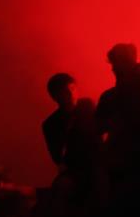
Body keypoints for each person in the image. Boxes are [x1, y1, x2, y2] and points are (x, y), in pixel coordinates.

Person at [95, 43, 140, 185]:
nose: (113, 68)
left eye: (114, 63)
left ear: (123, 60)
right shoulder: (136, 77)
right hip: (139, 150)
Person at [41, 73, 100, 211]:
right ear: (55, 96)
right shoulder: (51, 124)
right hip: (78, 170)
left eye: (72, 89)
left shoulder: (87, 106)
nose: (71, 94)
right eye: (65, 91)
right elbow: (57, 156)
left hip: (95, 166)